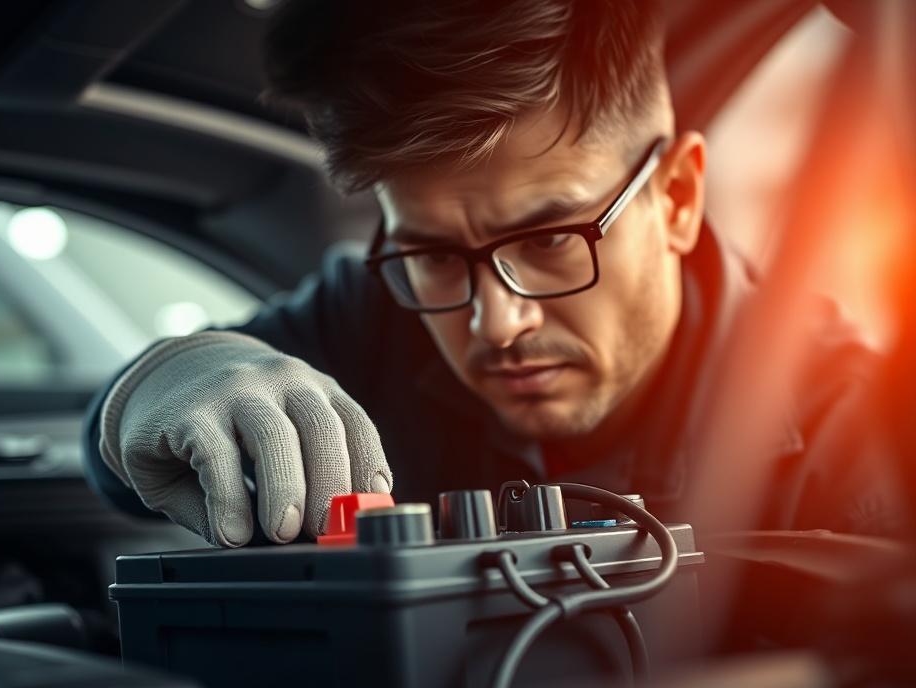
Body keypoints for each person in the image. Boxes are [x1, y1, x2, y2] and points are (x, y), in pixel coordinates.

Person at [83, 0, 900, 547]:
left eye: (548, 240)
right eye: (437, 255)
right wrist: (158, 382)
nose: (496, 323)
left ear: (679, 199)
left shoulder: (854, 433)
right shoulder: (374, 312)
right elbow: (126, 463)